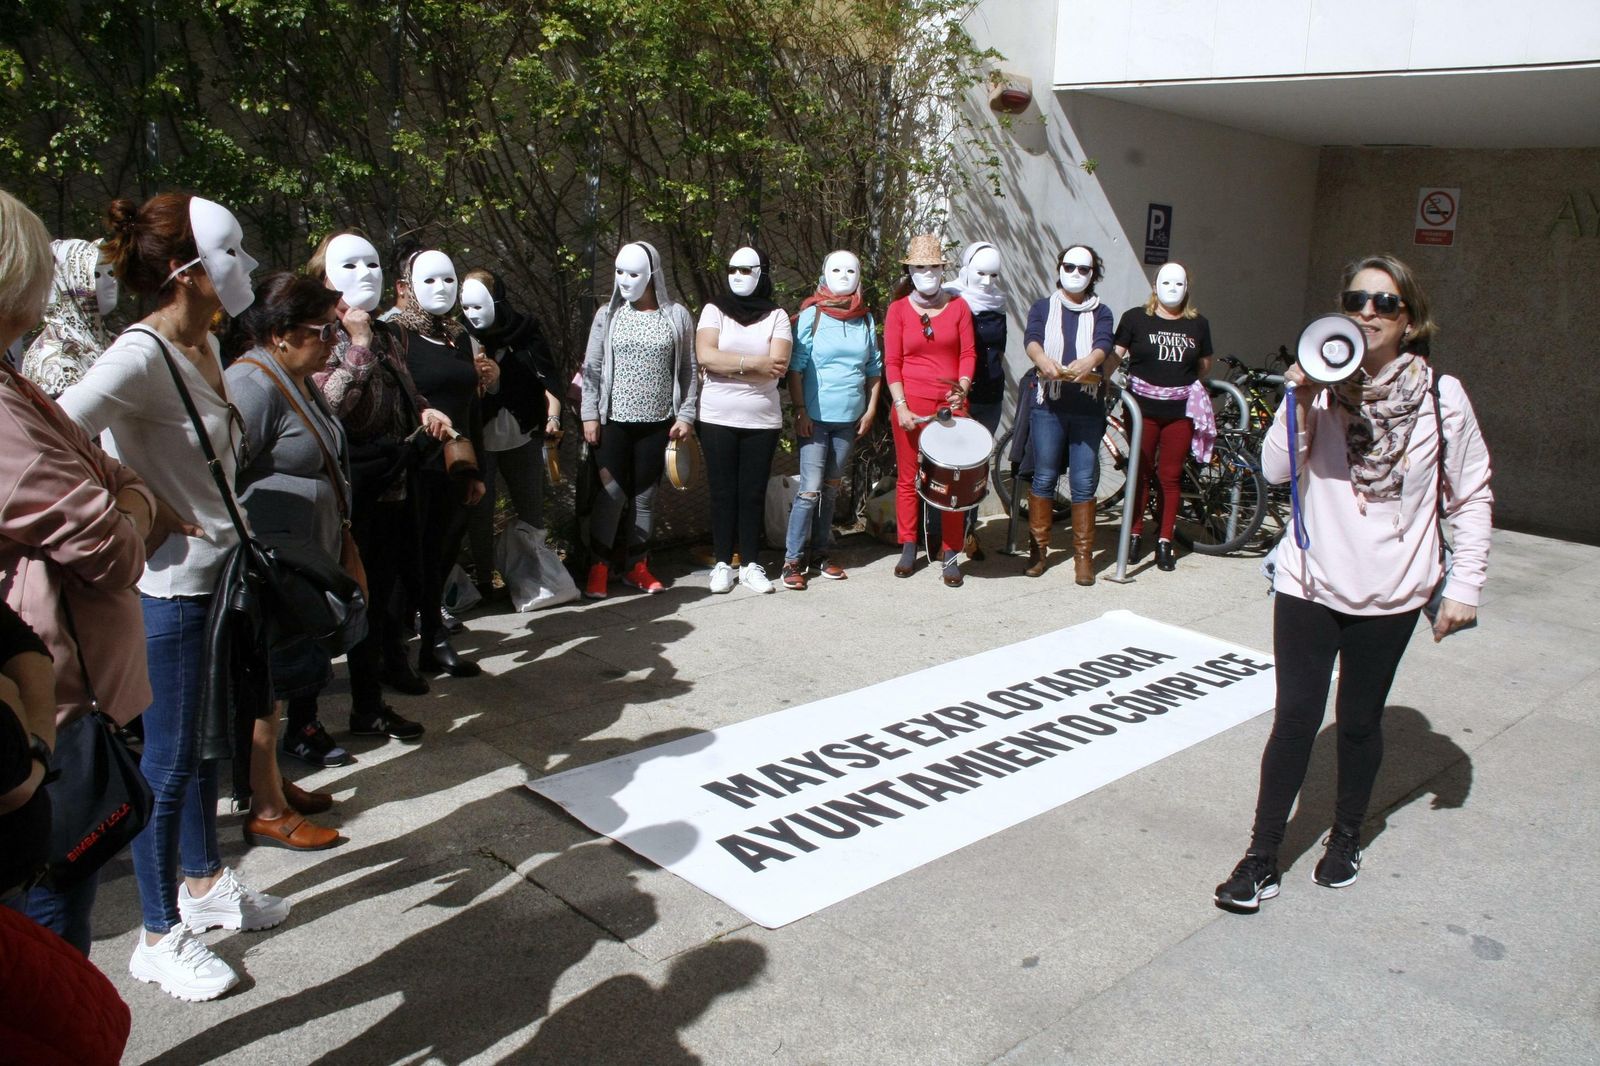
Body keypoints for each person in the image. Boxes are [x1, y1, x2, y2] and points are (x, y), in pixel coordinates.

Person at [58, 192, 288, 1001]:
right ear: (187, 273)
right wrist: (135, 512)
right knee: (168, 758)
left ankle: (204, 881)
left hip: (219, 580)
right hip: (170, 590)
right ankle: (157, 933)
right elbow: (49, 437)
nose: (248, 268)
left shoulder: (206, 346)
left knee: (198, 751)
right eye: (232, 254)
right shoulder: (137, 356)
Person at [1213, 254, 1492, 915]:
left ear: (1411, 319)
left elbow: (1471, 492)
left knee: (1360, 724)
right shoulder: (1318, 390)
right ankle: (1259, 859)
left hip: (1393, 593)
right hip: (1310, 585)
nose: (1368, 311)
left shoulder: (1439, 397)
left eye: (1385, 303)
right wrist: (1299, 398)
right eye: (1357, 299)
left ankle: (1344, 839)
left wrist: (1466, 585)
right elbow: (1277, 472)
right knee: (1294, 723)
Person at [0, 187, 153, 952]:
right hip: (43, 705)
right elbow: (113, 543)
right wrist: (136, 507)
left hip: (67, 696)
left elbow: (105, 472)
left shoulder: (16, 383)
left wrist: (125, 496)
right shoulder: (8, 405)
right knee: (54, 918)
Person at [226, 272, 358, 850]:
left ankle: (273, 782)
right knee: (266, 688)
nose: (333, 340)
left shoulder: (294, 376)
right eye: (322, 330)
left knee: (280, 685)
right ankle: (268, 807)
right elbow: (224, 476)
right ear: (280, 334)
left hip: (301, 561)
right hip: (271, 570)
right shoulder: (250, 387)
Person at [309, 228, 449, 742]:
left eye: (372, 265)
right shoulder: (321, 334)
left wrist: (425, 410)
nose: (365, 276)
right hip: (348, 490)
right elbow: (327, 409)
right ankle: (329, 709)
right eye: (350, 267)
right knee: (351, 595)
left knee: (387, 588)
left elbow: (407, 391)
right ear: (325, 278)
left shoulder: (391, 333)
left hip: (393, 480)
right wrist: (358, 345)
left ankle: (376, 689)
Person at [386, 244, 486, 677]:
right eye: (429, 279)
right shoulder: (393, 334)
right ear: (406, 287)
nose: (441, 288)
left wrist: (474, 467)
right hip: (414, 465)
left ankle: (433, 642)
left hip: (455, 463)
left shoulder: (458, 335)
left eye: (449, 278)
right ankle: (394, 652)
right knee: (409, 558)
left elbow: (471, 404)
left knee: (442, 553)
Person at [579, 241, 698, 598]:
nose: (625, 280)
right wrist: (589, 414)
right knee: (612, 495)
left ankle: (637, 567)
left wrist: (687, 414)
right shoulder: (608, 315)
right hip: (613, 421)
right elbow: (593, 367)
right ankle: (598, 568)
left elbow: (689, 370)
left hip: (658, 423)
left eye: (633, 273)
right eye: (619, 272)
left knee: (645, 497)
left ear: (652, 275)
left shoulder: (676, 316)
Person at [460, 269, 565, 599]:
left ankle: (535, 575)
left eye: (479, 303)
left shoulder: (525, 331)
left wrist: (553, 417)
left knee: (531, 506)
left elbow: (547, 378)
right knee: (480, 510)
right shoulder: (460, 337)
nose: (473, 314)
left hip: (522, 433)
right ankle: (483, 580)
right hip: (482, 439)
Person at [780, 251, 882, 590]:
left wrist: (869, 410)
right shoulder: (812, 315)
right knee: (809, 490)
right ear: (824, 274)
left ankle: (821, 554)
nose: (843, 275)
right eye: (836, 269)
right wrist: (800, 410)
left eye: (850, 269)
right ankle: (792, 560)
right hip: (815, 419)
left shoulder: (864, 318)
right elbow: (795, 367)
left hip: (849, 420)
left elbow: (873, 369)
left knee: (831, 488)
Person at [695, 246, 792, 594]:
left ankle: (751, 564)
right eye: (731, 269)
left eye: (745, 270)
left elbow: (777, 366)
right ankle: (723, 563)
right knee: (722, 492)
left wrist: (728, 364)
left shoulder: (777, 315)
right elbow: (705, 354)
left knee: (751, 493)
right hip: (717, 416)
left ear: (762, 273)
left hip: (761, 420)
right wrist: (753, 364)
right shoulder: (713, 310)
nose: (736, 276)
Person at [883, 235, 975, 588]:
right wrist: (901, 405)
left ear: (942, 269)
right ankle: (908, 546)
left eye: (934, 266)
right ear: (910, 270)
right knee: (909, 479)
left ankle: (950, 553)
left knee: (952, 481)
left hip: (951, 404)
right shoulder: (898, 310)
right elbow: (892, 362)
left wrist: (962, 388)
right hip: (911, 404)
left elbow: (968, 353)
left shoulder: (959, 308)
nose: (928, 273)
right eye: (920, 267)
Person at [1112, 262, 1215, 571]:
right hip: (1141, 410)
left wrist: (1181, 382)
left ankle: (1165, 540)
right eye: (1166, 283)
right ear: (1155, 287)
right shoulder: (1135, 318)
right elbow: (1116, 354)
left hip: (1179, 412)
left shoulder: (1198, 324)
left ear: (1187, 288)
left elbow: (1204, 363)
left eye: (1179, 284)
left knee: (1169, 476)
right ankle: (1133, 534)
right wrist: (1100, 378)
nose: (1172, 289)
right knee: (1140, 473)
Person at [1019, 244, 1111, 583]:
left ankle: (1083, 559)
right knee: (1043, 477)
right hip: (1050, 404)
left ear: (1093, 275)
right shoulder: (1043, 307)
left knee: (1083, 483)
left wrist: (1089, 361)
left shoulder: (1102, 311)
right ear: (1059, 268)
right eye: (1069, 266)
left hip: (1086, 407)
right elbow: (1032, 339)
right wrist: (1043, 362)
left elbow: (1103, 343)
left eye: (1083, 269)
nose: (1075, 274)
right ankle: (1038, 552)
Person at [946, 241, 1007, 560]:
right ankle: (940, 535)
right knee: (949, 465)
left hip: (990, 395)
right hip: (957, 394)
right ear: (966, 269)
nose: (987, 282)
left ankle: (968, 532)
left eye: (993, 275)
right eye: (980, 273)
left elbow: (1000, 349)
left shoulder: (999, 303)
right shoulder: (951, 298)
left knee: (975, 469)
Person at [20, 237, 118, 397]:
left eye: (111, 272)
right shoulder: (53, 357)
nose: (111, 281)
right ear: (67, 282)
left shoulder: (110, 341)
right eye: (96, 274)